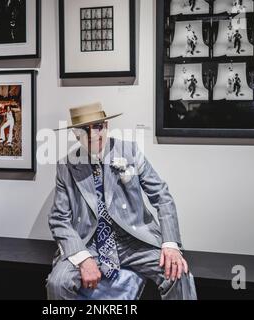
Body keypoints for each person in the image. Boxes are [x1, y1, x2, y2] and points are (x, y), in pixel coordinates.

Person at [46, 103, 193, 300]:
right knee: (58, 283)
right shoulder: (66, 166)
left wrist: (170, 243)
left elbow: (161, 196)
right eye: (84, 130)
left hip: (135, 242)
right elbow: (59, 219)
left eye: (97, 126)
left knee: (178, 274)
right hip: (89, 244)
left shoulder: (129, 151)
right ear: (75, 134)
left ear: (106, 126)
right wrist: (82, 258)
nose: (92, 135)